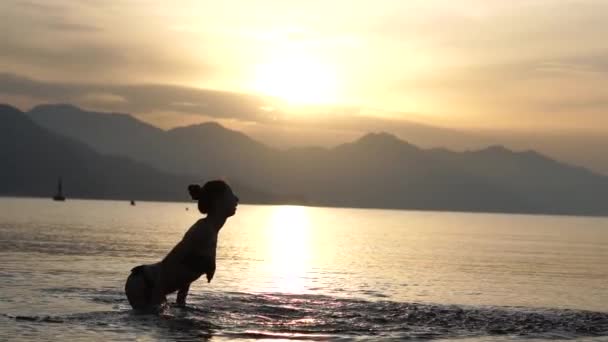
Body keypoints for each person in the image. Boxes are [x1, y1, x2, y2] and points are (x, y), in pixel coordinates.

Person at [124, 180, 239, 311]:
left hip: (149, 284)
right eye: (231, 195)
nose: (236, 199)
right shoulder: (203, 230)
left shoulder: (211, 231)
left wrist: (181, 304)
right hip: (144, 283)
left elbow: (186, 270)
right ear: (219, 202)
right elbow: (169, 264)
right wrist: (157, 298)